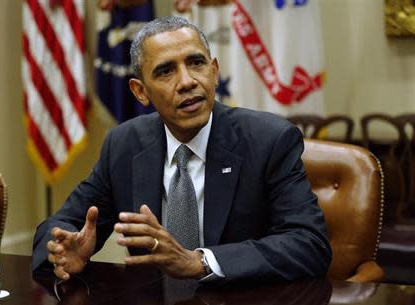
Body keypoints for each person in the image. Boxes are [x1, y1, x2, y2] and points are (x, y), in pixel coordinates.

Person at [32, 16, 332, 284]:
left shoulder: (270, 140)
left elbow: (309, 244)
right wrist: (61, 249)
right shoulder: (124, 144)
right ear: (140, 91)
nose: (187, 82)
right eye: (165, 71)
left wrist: (199, 262)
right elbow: (62, 224)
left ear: (214, 71)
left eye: (196, 63)